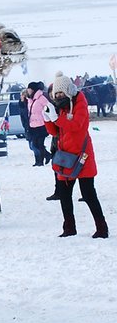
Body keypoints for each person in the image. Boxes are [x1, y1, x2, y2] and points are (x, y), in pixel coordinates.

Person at [43, 72, 109, 238]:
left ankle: (102, 228)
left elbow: (76, 126)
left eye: (61, 93)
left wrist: (56, 118)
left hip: (82, 158)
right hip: (65, 158)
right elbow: (55, 132)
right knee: (64, 196)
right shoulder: (59, 106)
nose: (58, 96)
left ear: (68, 92)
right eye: (55, 94)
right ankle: (69, 228)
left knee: (88, 194)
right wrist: (47, 119)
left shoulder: (80, 103)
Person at [26, 81, 51, 166]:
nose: (28, 91)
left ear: (33, 89)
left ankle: (40, 162)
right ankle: (44, 157)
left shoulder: (41, 98)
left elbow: (48, 108)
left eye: (29, 89)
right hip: (32, 125)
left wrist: (46, 117)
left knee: (40, 144)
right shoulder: (29, 99)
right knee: (34, 145)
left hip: (41, 125)